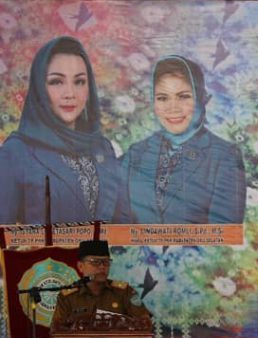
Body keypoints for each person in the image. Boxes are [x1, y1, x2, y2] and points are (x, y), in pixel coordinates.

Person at [0, 36, 126, 225]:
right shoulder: (16, 152)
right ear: (39, 88)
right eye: (57, 82)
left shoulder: (102, 148)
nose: (70, 94)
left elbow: (123, 225)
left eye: (79, 82)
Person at [123, 55, 245, 224]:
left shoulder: (224, 156)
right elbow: (117, 224)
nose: (173, 108)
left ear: (203, 98)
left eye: (183, 96)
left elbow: (224, 233)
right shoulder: (136, 153)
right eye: (162, 98)